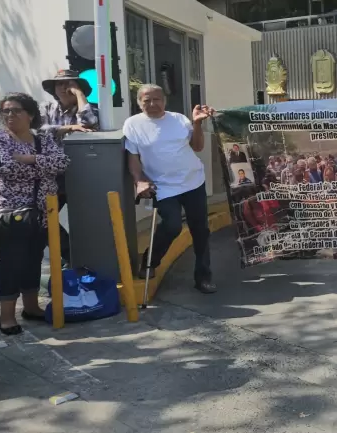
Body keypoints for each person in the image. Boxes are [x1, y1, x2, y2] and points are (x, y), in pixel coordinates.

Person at [123, 84, 217, 294]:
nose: (153, 104)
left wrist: (197, 123)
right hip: (162, 186)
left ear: (164, 101)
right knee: (173, 225)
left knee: (200, 231)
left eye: (157, 99)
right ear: (139, 103)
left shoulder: (179, 119)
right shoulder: (133, 124)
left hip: (193, 181)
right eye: (147, 100)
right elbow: (133, 158)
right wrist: (139, 181)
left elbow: (198, 146)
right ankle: (150, 260)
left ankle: (203, 276)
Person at [0, 93, 70, 335]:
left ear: (31, 114)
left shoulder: (43, 140)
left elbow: (62, 162)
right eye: (5, 111)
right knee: (11, 262)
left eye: (15, 110)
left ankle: (30, 306)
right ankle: (6, 317)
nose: (9, 115)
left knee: (33, 259)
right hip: (10, 213)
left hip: (43, 211)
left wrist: (31, 159)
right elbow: (5, 168)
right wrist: (41, 166)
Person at [40, 69, 100, 265]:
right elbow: (37, 132)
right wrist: (69, 128)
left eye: (70, 84)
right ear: (53, 89)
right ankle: (70, 257)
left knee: (85, 219)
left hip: (81, 173)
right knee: (44, 218)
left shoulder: (91, 108)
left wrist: (80, 95)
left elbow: (91, 123)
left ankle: (89, 260)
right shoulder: (45, 108)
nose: (65, 88)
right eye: (60, 84)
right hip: (52, 174)